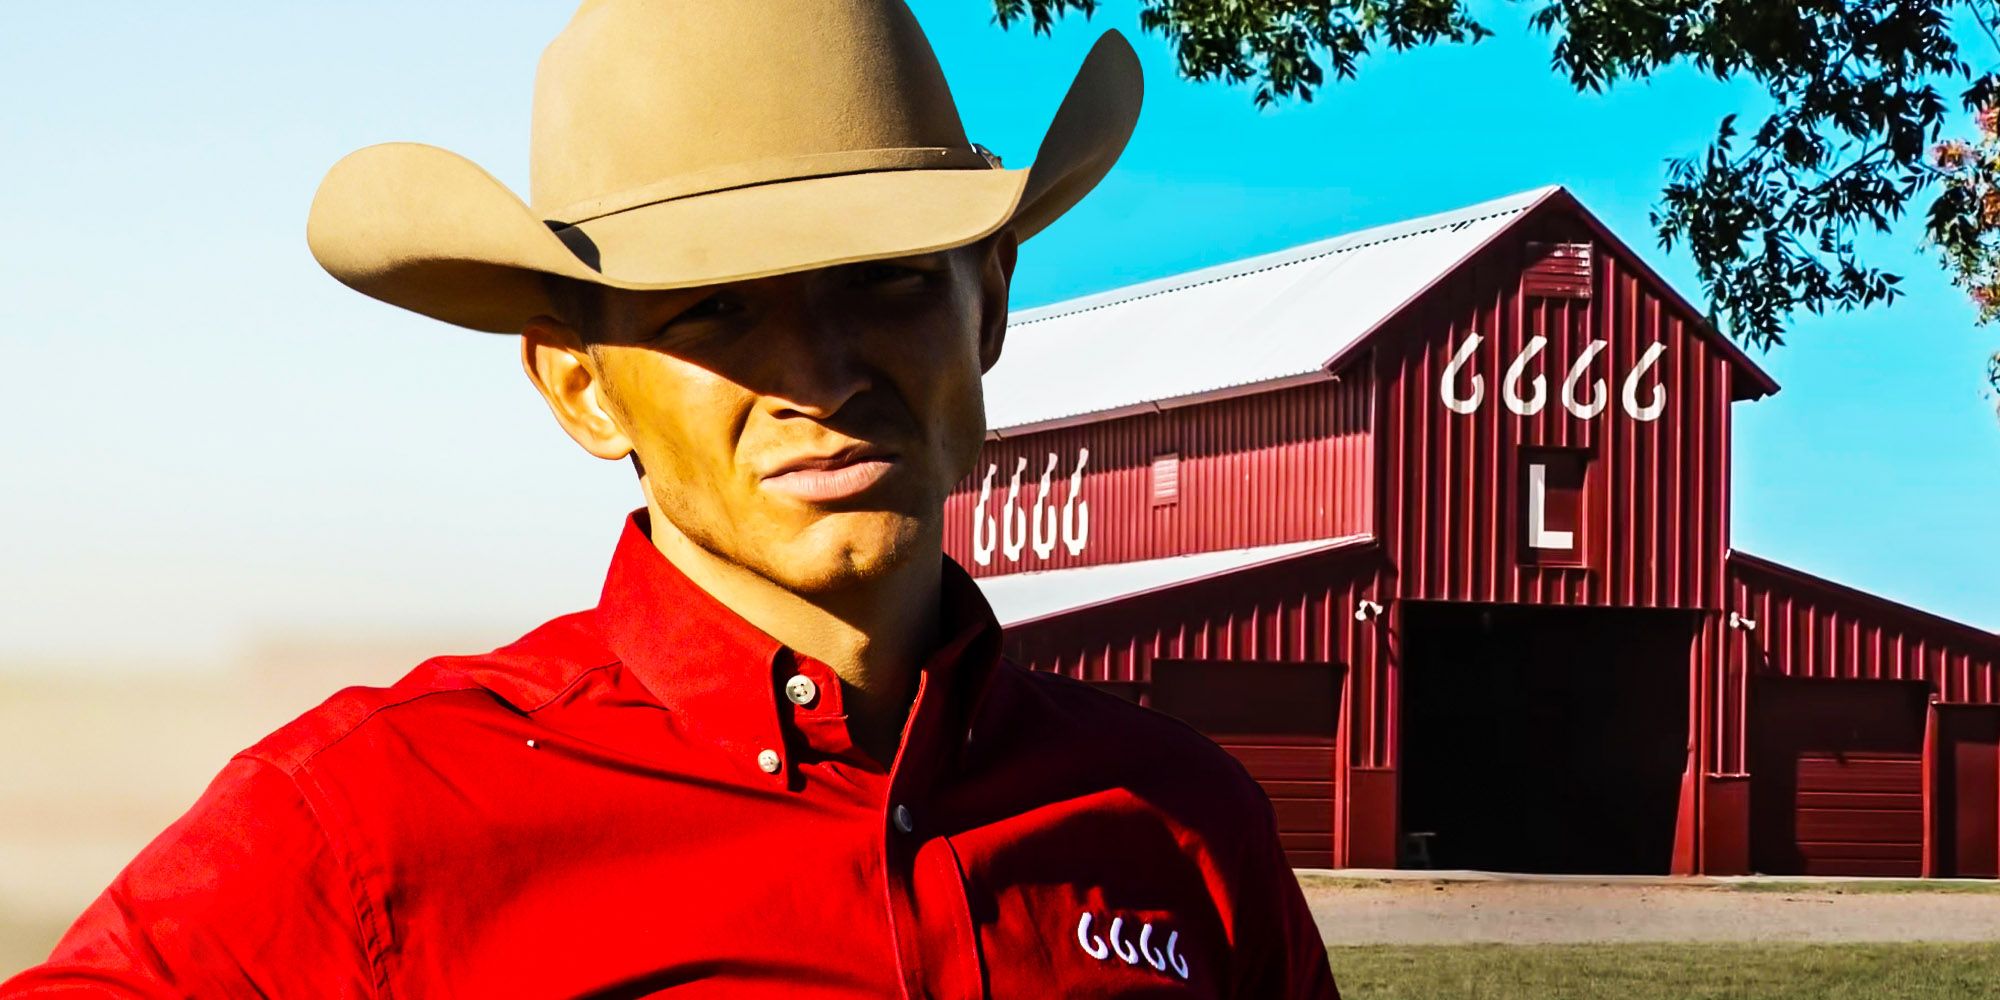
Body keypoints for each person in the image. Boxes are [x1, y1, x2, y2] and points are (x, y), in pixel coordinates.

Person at [2, 2, 1339, 996]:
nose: (820, 373)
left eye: (884, 277)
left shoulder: (1182, 825)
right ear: (582, 389)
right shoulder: (368, 834)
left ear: (984, 300)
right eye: (714, 310)